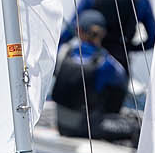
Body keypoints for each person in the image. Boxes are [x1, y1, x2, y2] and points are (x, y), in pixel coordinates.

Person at [51, 9, 140, 145]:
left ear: (78, 31)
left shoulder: (63, 54)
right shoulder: (106, 63)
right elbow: (122, 82)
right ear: (103, 34)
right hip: (87, 128)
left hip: (62, 126)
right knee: (136, 127)